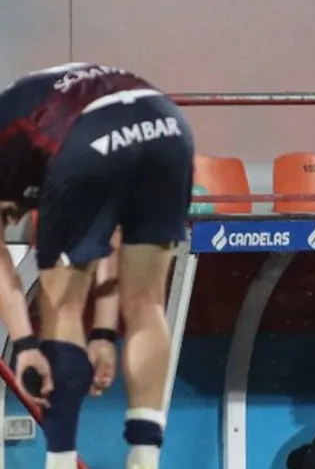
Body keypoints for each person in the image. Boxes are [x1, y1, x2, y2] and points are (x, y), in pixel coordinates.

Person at [0, 63, 194, 469]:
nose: (11, 221)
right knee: (147, 302)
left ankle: (60, 459)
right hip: (167, 124)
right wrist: (104, 332)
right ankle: (144, 454)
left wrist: (25, 345)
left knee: (61, 304)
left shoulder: (20, 144)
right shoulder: (31, 134)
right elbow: (107, 230)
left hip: (88, 135)